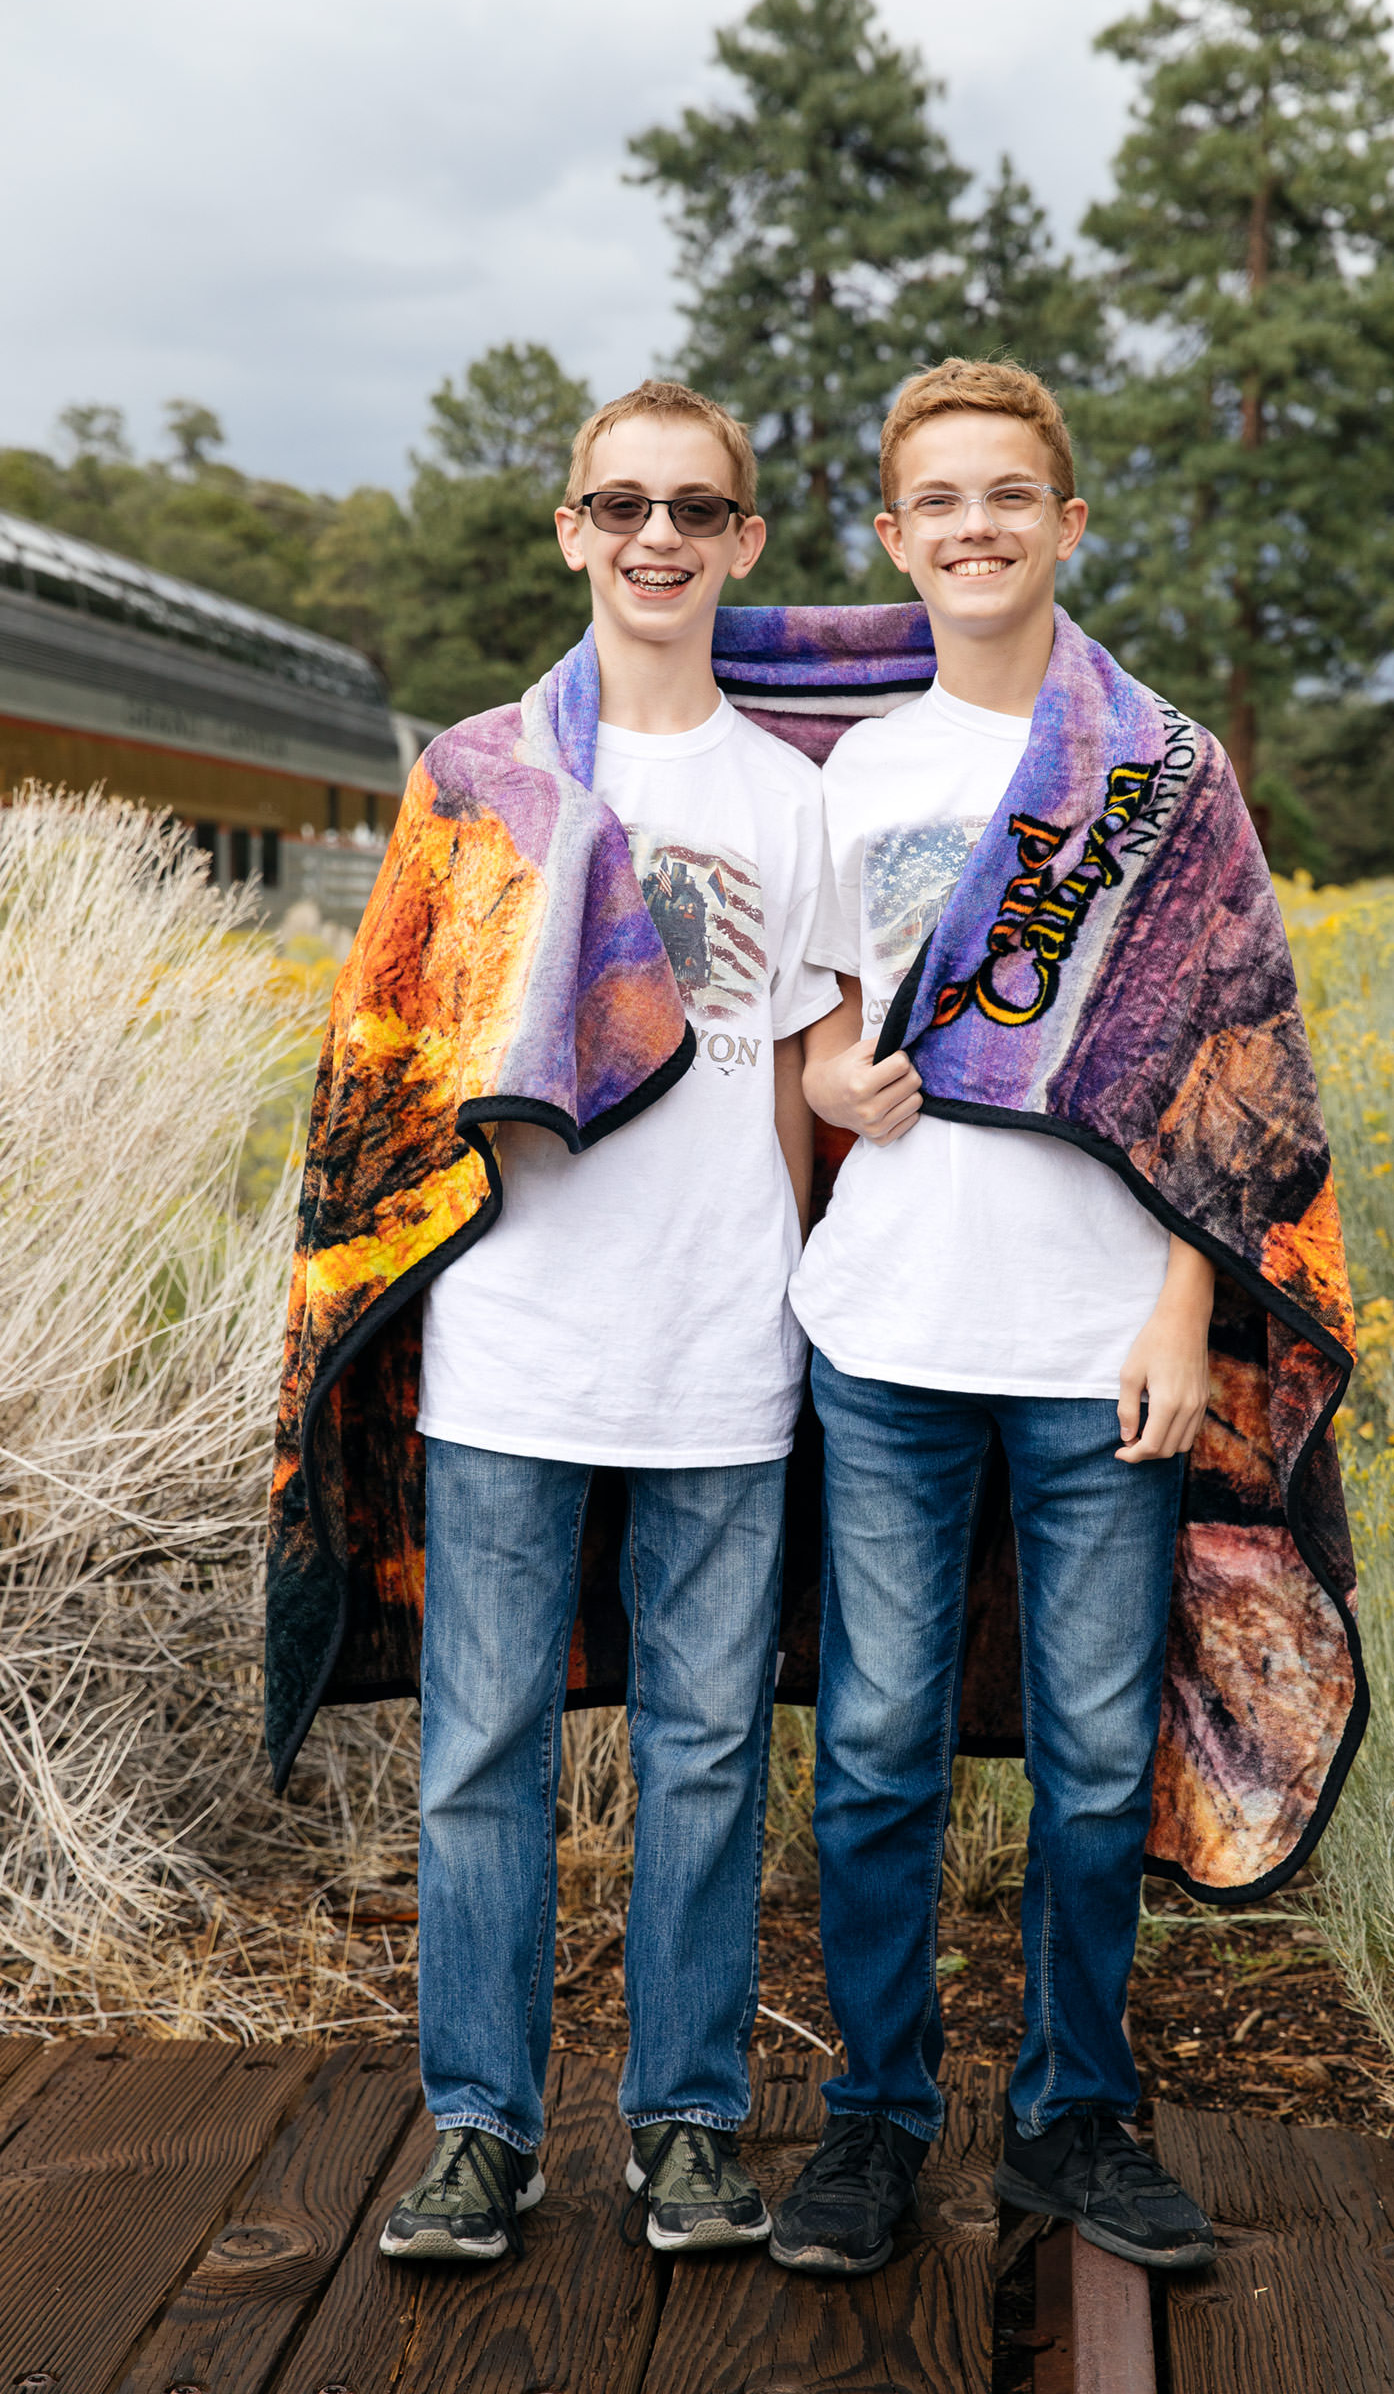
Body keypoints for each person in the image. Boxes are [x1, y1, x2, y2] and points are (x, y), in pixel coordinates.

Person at [377, 381, 840, 2264]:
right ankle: (481, 2127)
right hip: (513, 1341)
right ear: (569, 527)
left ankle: (690, 2122)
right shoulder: (480, 779)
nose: (658, 537)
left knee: (709, 1755)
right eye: (621, 503)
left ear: (743, 541)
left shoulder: (792, 798)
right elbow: (394, 1064)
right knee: (480, 1751)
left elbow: (803, 1078)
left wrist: (805, 1289)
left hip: (724, 1340)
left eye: (697, 509)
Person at [772, 359, 1220, 2277]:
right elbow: (806, 1020)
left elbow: (1235, 1069)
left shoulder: (1160, 769)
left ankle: (1072, 2116)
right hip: (888, 1332)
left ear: (1068, 523)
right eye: (938, 499)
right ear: (896, 539)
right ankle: (874, 2120)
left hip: (1099, 1338)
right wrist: (836, 1083)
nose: (975, 525)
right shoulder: (857, 774)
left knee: (1100, 1760)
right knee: (875, 1745)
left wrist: (1191, 1304)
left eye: (1010, 494)